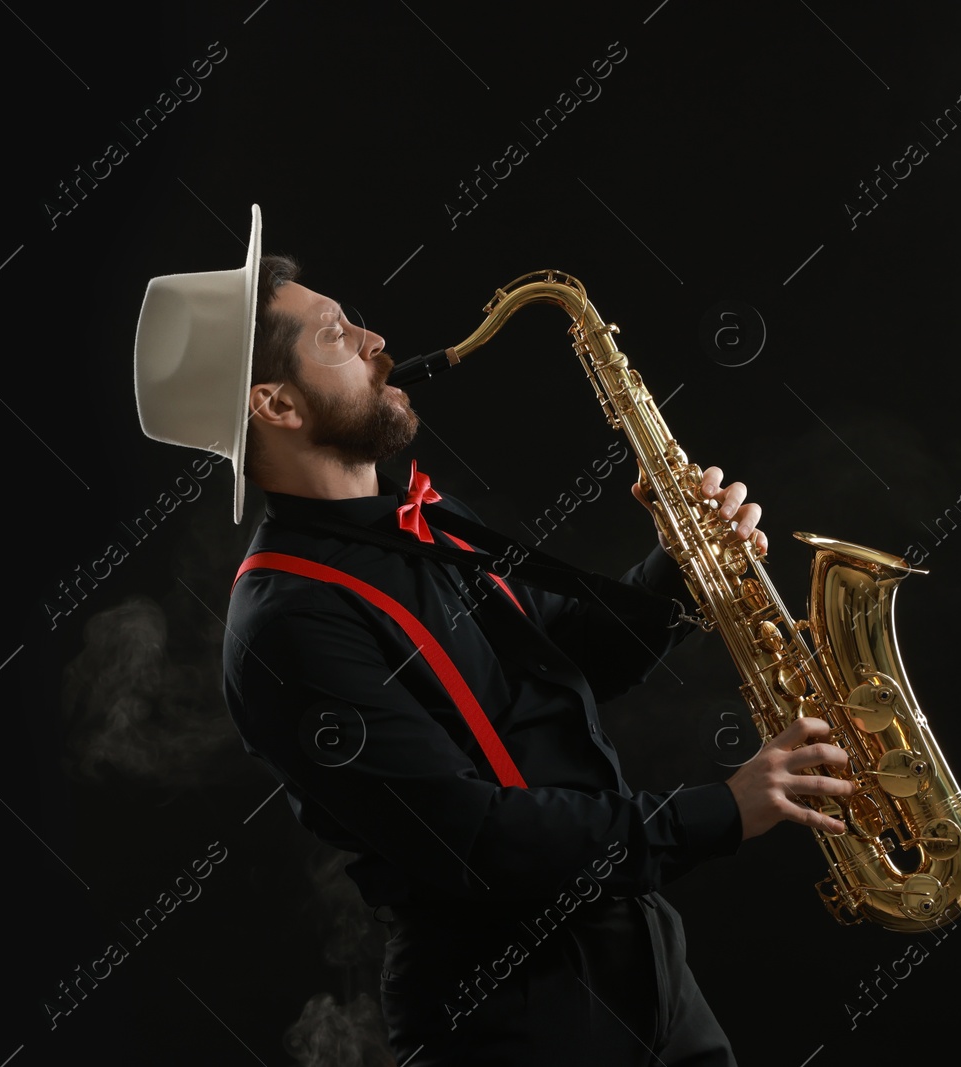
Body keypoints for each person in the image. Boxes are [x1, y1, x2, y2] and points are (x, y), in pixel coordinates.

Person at [134, 205, 856, 1066]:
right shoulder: (288, 624)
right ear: (276, 402)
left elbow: (568, 659)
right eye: (335, 333)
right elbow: (472, 838)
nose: (374, 341)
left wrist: (681, 563)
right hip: (515, 1014)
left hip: (648, 966)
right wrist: (718, 812)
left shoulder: (425, 518)